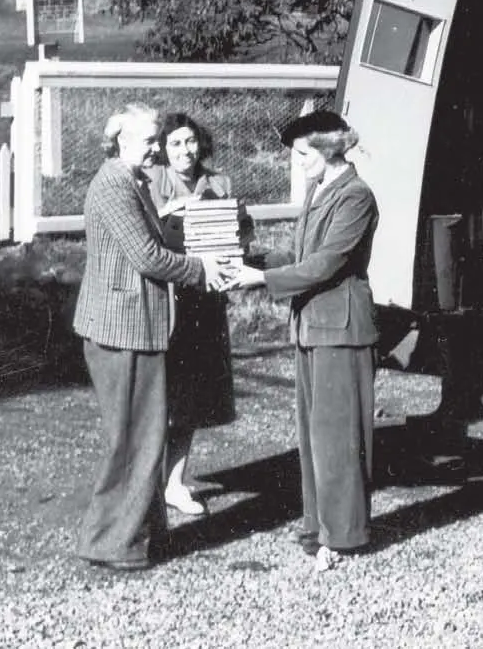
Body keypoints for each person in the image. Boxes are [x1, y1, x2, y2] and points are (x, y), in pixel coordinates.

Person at [70, 104, 231, 572]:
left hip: (135, 326)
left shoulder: (131, 182)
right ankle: (111, 542)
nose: (158, 149)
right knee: (133, 441)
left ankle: (139, 536)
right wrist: (200, 270)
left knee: (144, 438)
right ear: (120, 142)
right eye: (149, 142)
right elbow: (146, 257)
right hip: (122, 329)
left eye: (158, 141)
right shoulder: (114, 185)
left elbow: (147, 243)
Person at [227, 109, 378, 572]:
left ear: (330, 149)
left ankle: (345, 534)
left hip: (342, 328)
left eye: (303, 154)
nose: (298, 162)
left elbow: (326, 264)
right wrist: (245, 257)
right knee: (314, 435)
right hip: (312, 325)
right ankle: (319, 525)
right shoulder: (319, 191)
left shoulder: (356, 197)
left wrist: (259, 278)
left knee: (338, 436)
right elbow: (298, 254)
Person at [145, 110, 251, 523]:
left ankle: (175, 481)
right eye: (175, 143)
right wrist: (175, 207)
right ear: (163, 149)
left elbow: (241, 231)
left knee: (192, 397)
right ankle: (149, 481)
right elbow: (145, 233)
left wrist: (237, 227)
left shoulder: (219, 182)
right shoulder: (152, 182)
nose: (184, 150)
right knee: (162, 394)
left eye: (190, 142)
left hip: (205, 298)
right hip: (168, 296)